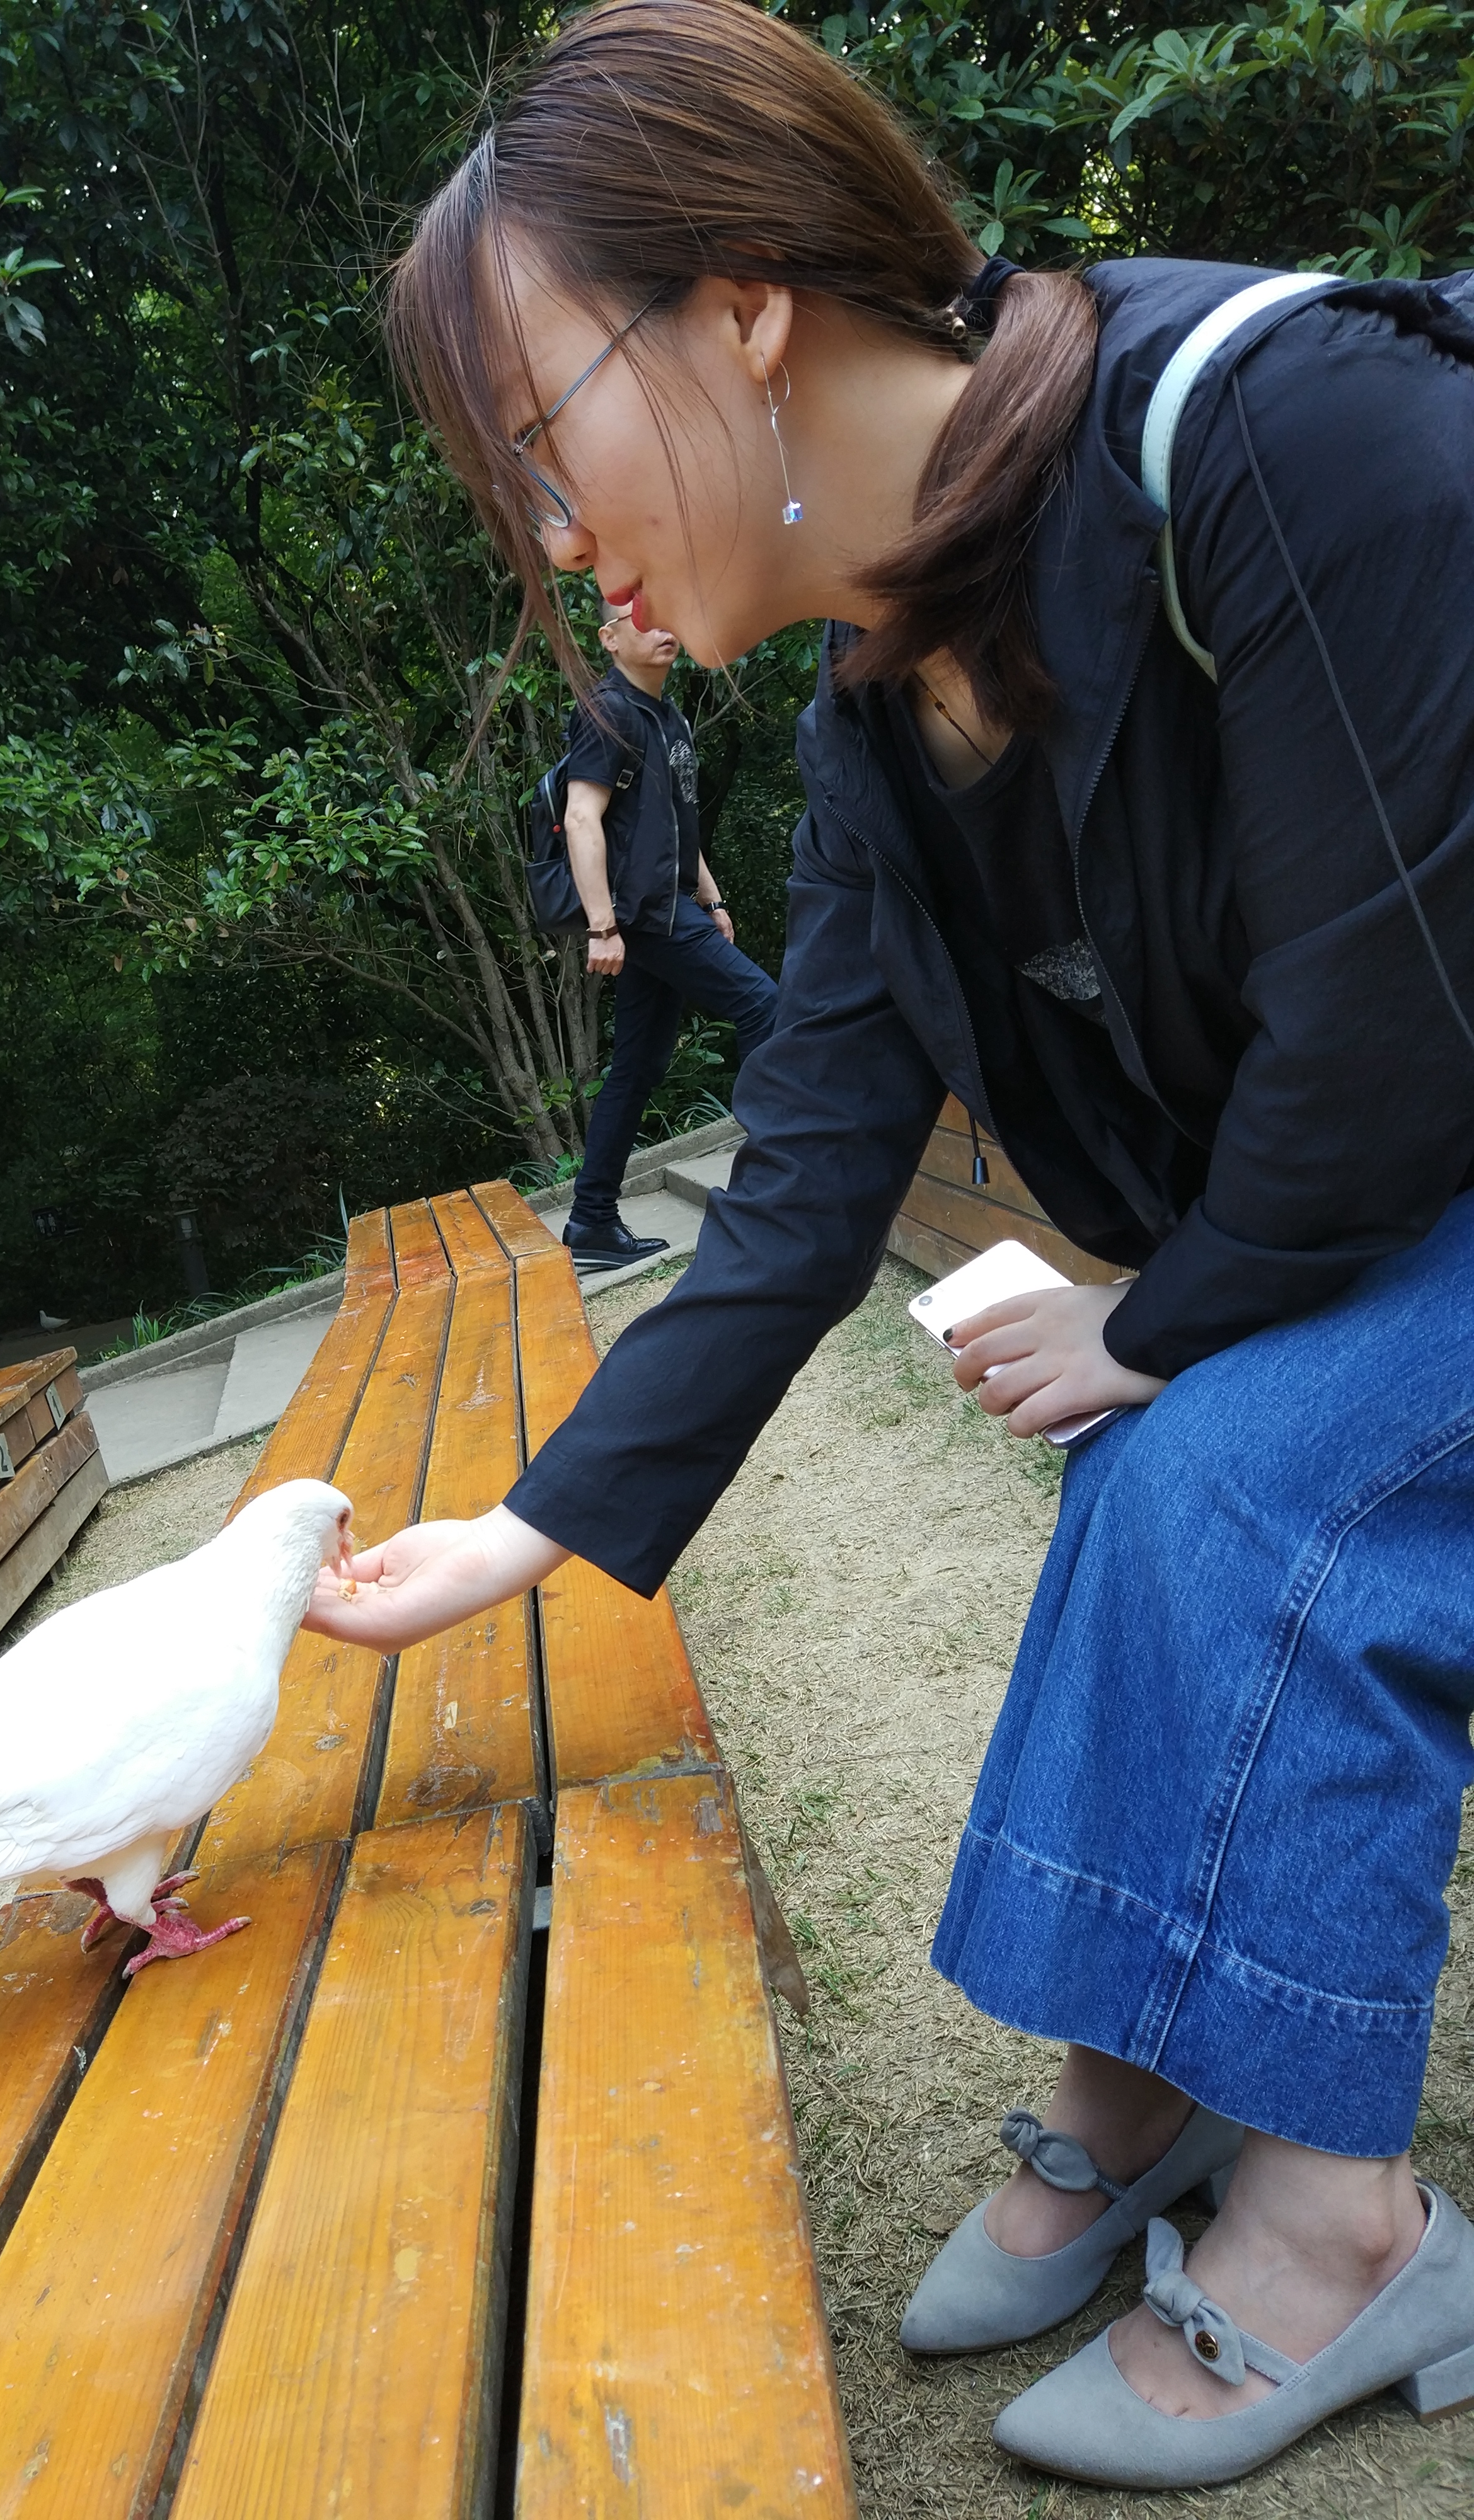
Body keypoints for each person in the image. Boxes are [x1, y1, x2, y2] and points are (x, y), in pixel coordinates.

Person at [301, 0, 1474, 2489]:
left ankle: (1351, 2226)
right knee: (1170, 1443)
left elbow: (1392, 1028)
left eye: (542, 439)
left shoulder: (1280, 426)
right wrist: (526, 1527)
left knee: (1227, 1461)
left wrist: (1161, 1319)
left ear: (742, 307)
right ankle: (1139, 2089)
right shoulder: (872, 721)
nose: (552, 537)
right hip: (1396, 1213)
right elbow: (812, 1156)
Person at [556, 598, 778, 1271]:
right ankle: (778, 1185)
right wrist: (602, 926)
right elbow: (581, 817)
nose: (664, 628)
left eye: (667, 616)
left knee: (638, 1066)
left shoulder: (668, 716)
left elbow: (679, 823)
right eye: (642, 619)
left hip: (673, 905)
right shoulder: (608, 712)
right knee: (764, 1005)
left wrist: (714, 898)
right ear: (609, 638)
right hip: (643, 913)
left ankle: (591, 1220)